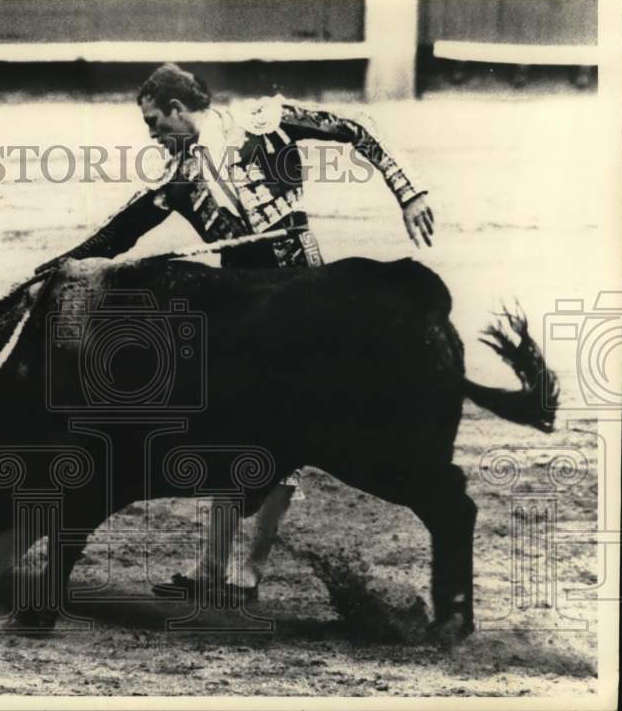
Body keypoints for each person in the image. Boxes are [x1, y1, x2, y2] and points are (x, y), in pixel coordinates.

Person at [37, 63, 434, 602]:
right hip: (240, 308)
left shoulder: (264, 123)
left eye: (154, 121)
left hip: (303, 297)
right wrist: (60, 267)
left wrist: (409, 193)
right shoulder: (178, 176)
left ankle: (249, 570)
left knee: (288, 429)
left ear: (178, 108)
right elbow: (120, 232)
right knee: (230, 425)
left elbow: (357, 128)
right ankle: (210, 569)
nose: (152, 134)